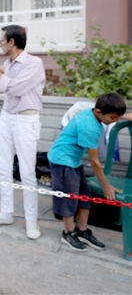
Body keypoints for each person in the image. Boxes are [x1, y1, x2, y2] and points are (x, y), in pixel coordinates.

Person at [0, 25, 46, 240]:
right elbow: (5, 87)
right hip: (9, 117)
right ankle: (5, 213)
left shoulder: (33, 63)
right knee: (3, 166)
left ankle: (31, 221)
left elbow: (16, 88)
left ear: (12, 42)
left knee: (27, 172)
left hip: (26, 118)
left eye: (2, 40)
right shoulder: (8, 65)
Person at [47, 93, 130, 252]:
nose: (116, 121)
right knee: (70, 197)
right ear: (99, 112)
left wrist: (126, 116)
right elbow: (94, 161)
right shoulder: (90, 127)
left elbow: (111, 113)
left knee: (85, 195)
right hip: (62, 160)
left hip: (73, 160)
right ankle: (68, 233)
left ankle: (82, 230)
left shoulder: (94, 112)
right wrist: (106, 186)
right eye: (113, 118)